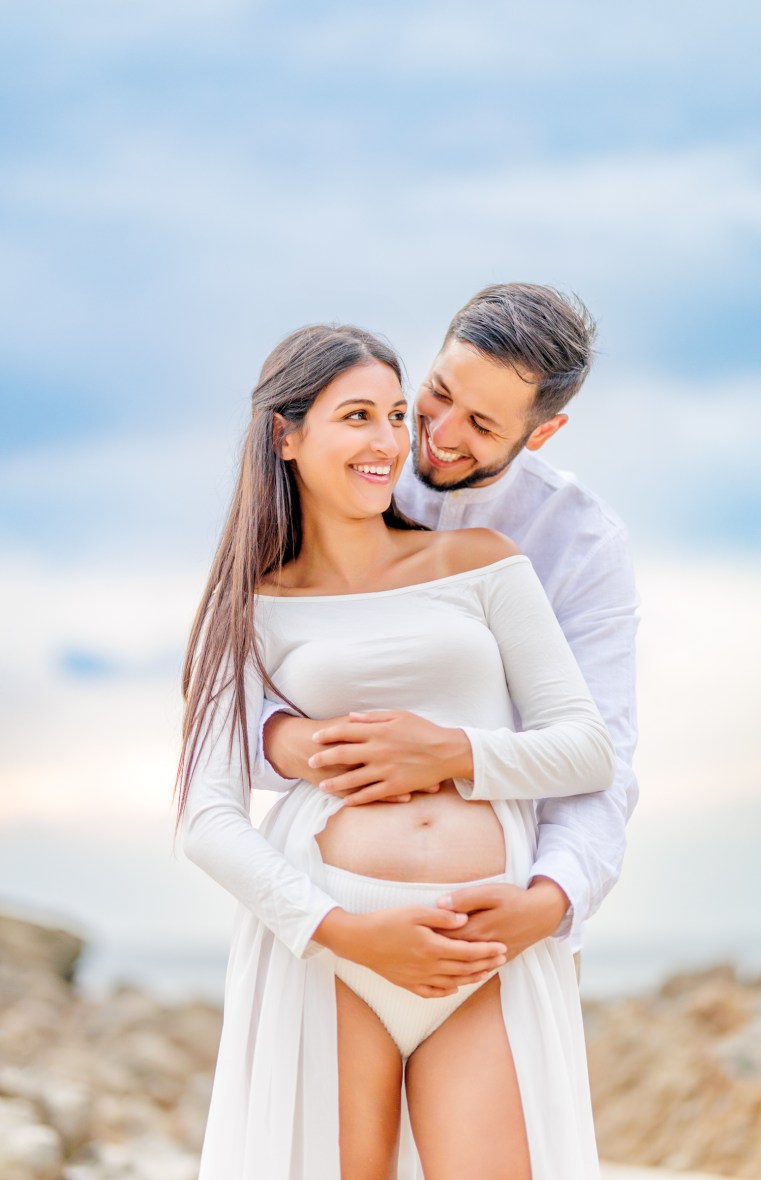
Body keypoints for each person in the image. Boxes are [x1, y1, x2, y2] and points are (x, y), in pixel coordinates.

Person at [178, 322, 616, 1179]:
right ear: (286, 434)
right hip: (335, 955)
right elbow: (205, 815)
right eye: (355, 417)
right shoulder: (250, 604)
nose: (387, 441)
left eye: (392, 414)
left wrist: (451, 752)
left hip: (480, 951)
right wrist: (344, 932)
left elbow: (585, 749)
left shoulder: (480, 561)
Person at [260, 284, 639, 971]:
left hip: (499, 919)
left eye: (484, 426)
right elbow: (227, 708)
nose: (441, 433)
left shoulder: (581, 543)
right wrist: (291, 737)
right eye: (439, 394)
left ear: (541, 433)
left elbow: (601, 754)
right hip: (330, 912)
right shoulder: (342, 477)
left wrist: (552, 900)